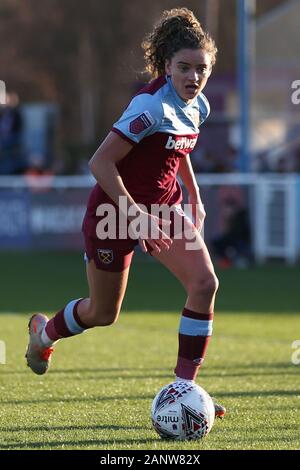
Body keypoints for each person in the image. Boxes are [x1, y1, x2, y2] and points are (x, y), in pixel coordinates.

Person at [25, 8, 225, 418]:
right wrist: (134, 216)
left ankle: (184, 390)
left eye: (200, 69)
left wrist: (195, 197)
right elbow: (100, 163)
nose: (193, 77)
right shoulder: (148, 107)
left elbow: (178, 149)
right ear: (167, 66)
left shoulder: (198, 105)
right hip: (112, 211)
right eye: (184, 68)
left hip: (162, 207)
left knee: (204, 284)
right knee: (103, 313)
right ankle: (43, 334)